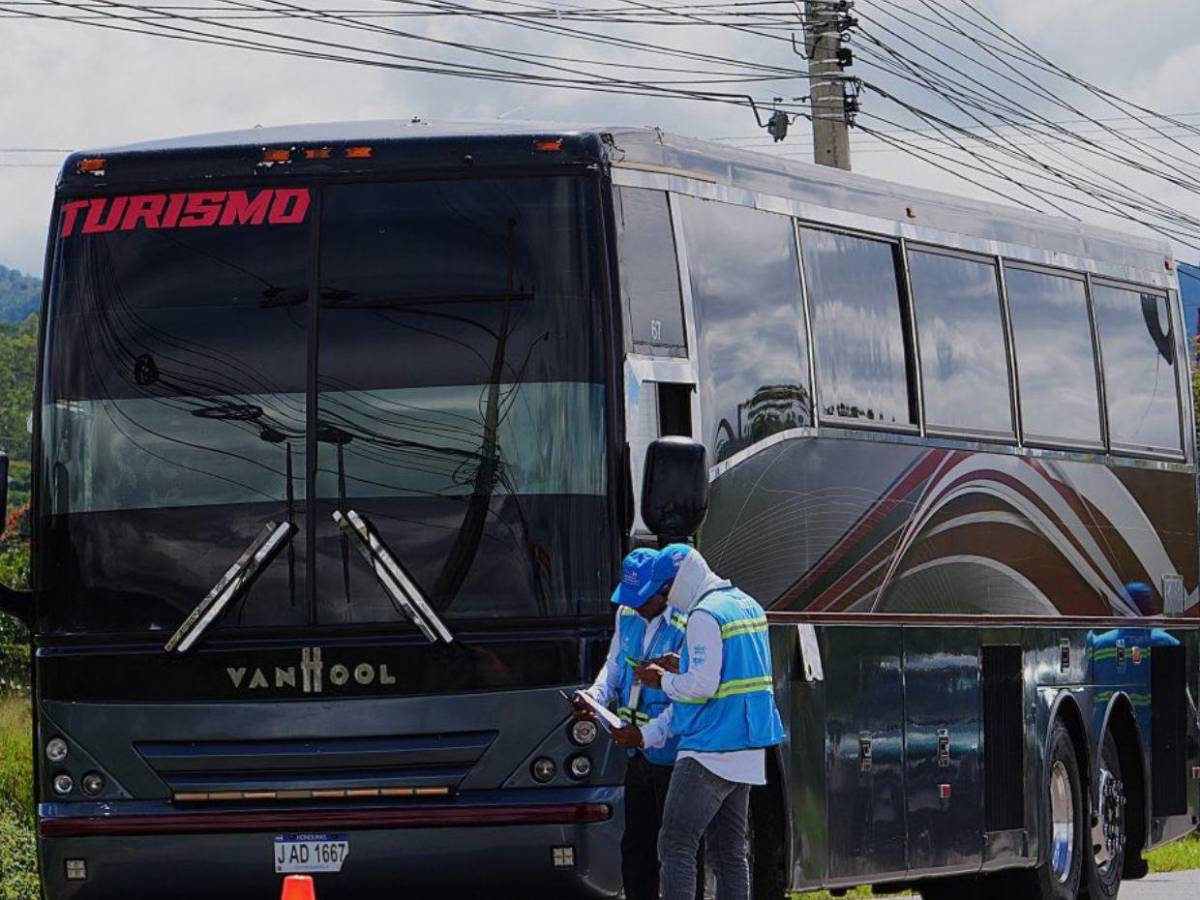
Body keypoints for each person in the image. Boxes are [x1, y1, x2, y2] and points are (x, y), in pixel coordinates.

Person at [633, 544, 785, 900]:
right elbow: (732, 668)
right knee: (730, 853)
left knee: (675, 845)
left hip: (708, 750)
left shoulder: (704, 615)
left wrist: (662, 680)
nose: (667, 598)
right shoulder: (748, 605)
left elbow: (703, 684)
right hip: (747, 747)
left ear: (682, 578)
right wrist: (682, 661)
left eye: (666, 589)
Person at [572, 547, 701, 900]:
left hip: (676, 755)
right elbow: (614, 668)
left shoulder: (691, 622)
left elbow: (690, 699)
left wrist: (645, 735)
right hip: (637, 754)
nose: (635, 606)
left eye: (643, 599)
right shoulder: (628, 613)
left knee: (678, 850)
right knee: (637, 848)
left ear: (665, 591)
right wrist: (594, 699)